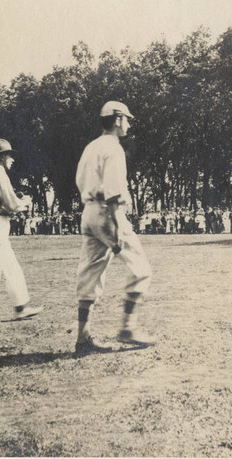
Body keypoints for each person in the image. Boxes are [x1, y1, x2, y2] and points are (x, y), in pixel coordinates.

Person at [75, 101, 154, 355]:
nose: (129, 123)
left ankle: (82, 338)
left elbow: (80, 180)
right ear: (117, 119)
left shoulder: (91, 146)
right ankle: (128, 327)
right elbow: (113, 190)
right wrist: (118, 225)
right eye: (127, 119)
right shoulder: (113, 147)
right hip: (108, 213)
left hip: (88, 212)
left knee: (90, 274)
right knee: (141, 268)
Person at [0, 139, 43, 325]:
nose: (12, 159)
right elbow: (11, 205)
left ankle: (21, 306)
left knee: (11, 267)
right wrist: (25, 202)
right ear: (2, 157)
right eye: (9, 155)